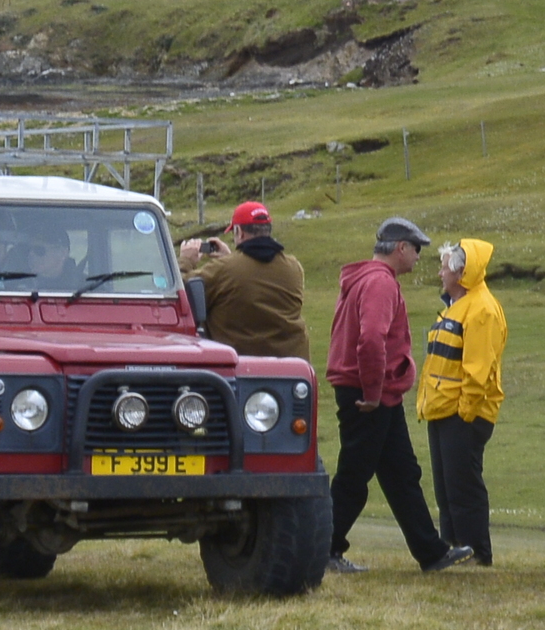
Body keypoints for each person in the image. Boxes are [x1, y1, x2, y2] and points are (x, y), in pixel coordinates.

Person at [324, 217, 472, 575]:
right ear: (400, 248)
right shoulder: (379, 283)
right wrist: (373, 393)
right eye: (416, 249)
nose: (419, 257)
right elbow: (371, 340)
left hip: (375, 393)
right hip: (369, 394)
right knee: (353, 477)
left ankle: (431, 552)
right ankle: (321, 546)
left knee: (402, 473)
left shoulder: (369, 279)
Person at [418, 238, 505, 566]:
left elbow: (478, 370)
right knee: (446, 488)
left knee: (463, 487)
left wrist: (466, 412)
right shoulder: (457, 306)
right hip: (443, 410)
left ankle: (477, 553)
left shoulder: (482, 309)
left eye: (444, 267)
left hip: (463, 413)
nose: (440, 273)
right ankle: (452, 548)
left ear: (461, 272)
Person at [178, 201, 309, 359]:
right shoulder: (294, 268)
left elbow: (182, 292)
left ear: (239, 232)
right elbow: (250, 274)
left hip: (239, 370)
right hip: (290, 367)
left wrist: (186, 261)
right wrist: (231, 257)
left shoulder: (224, 269)